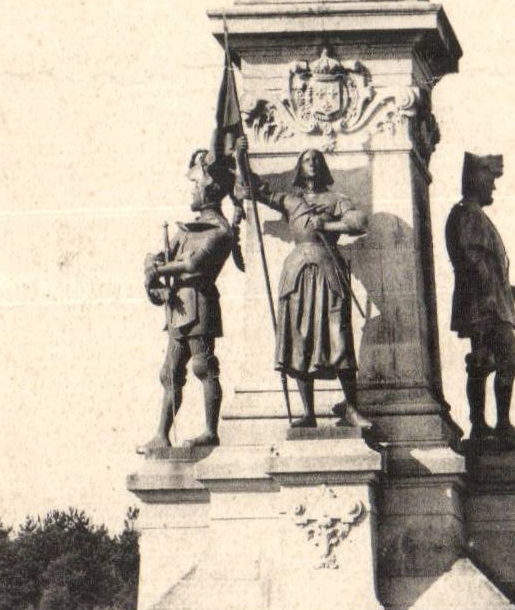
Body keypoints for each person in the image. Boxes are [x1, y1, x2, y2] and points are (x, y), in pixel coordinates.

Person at [236, 137, 372, 430]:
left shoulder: (336, 199)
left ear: (323, 167)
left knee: (340, 338)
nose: (312, 162)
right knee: (299, 339)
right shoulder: (291, 201)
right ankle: (308, 412)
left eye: (316, 159)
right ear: (300, 168)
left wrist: (329, 225)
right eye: (306, 159)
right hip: (297, 273)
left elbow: (359, 222)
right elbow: (254, 188)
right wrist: (239, 155)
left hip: (328, 270)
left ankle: (351, 406)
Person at [138, 151, 236, 456]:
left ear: (209, 190)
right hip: (178, 306)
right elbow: (160, 257)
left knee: (203, 367)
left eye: (196, 186)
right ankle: (160, 435)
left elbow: (193, 264)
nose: (192, 191)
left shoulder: (220, 231)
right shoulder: (184, 230)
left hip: (201, 302)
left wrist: (160, 270)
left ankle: (210, 431)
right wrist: (151, 267)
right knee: (169, 373)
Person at [445, 152, 515, 448]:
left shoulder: (473, 214)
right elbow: (474, 260)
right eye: (490, 181)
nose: (493, 188)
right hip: (485, 305)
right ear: (476, 181)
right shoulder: (469, 214)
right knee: (506, 360)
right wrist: (489, 303)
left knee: (486, 362)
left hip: (488, 303)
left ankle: (484, 425)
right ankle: (495, 426)